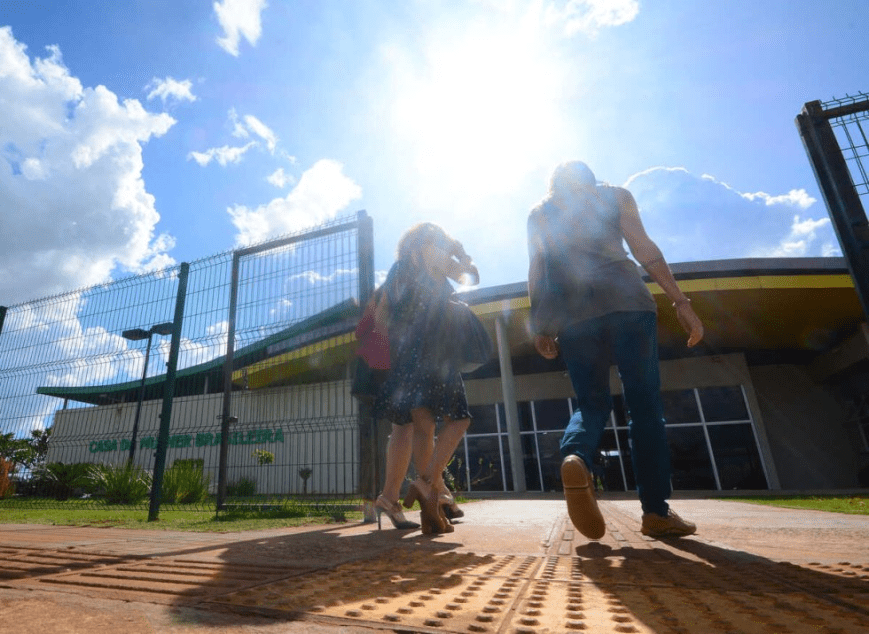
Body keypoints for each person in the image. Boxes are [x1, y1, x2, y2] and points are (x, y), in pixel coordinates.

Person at [527, 161, 704, 540]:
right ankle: (656, 511)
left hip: (575, 318)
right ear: (591, 178)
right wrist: (680, 302)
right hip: (629, 306)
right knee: (644, 408)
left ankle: (576, 457)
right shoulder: (616, 197)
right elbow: (644, 250)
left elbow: (538, 268)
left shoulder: (540, 213)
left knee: (591, 403)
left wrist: (540, 324)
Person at [373, 222, 478, 534]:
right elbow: (383, 313)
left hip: (413, 356)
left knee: (412, 428)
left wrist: (461, 253)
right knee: (430, 426)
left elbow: (472, 277)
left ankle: (406, 496)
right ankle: (430, 490)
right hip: (431, 355)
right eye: (437, 243)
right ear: (419, 246)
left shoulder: (416, 269)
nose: (442, 249)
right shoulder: (416, 268)